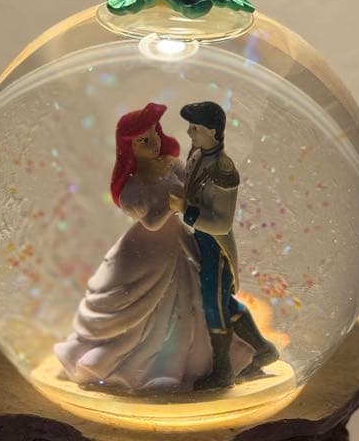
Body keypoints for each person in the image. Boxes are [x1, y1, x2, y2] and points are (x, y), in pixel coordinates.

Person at [55, 103, 249, 392]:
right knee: (140, 304)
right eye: (143, 140)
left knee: (185, 302)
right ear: (129, 148)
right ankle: (130, 363)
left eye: (155, 134)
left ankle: (180, 362)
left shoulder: (173, 164)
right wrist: (174, 204)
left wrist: (186, 203)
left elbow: (192, 194)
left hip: (179, 245)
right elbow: (152, 222)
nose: (153, 142)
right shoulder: (132, 186)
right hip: (145, 251)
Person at [170, 101, 279, 389]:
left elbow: (221, 224)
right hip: (198, 239)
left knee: (213, 305)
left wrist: (185, 210)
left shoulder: (224, 171)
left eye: (195, 128)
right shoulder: (196, 155)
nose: (189, 132)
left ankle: (222, 370)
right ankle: (263, 349)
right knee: (222, 301)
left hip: (215, 246)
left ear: (212, 131)